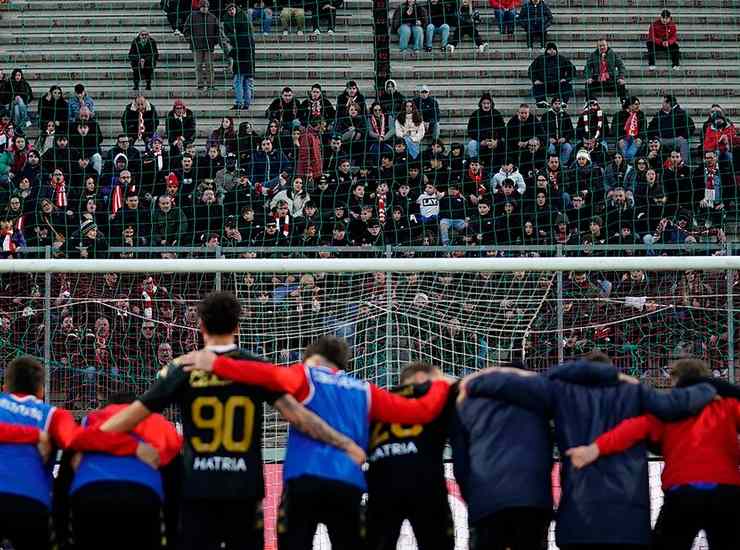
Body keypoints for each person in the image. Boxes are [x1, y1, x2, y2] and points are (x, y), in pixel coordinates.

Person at [99, 292, 365, 550]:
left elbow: (132, 415)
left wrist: (89, 438)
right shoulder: (255, 368)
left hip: (197, 487)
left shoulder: (182, 368)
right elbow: (299, 417)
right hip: (244, 489)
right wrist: (345, 443)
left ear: (201, 325)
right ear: (238, 326)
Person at [181, 334, 451, 550]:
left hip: (304, 482)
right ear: (340, 365)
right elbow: (420, 412)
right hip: (348, 486)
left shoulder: (305, 375)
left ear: (311, 358)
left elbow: (265, 374)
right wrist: (439, 384)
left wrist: (217, 364)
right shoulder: (366, 390)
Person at [460, 353, 717, 550]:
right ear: (613, 371)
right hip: (628, 517)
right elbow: (677, 403)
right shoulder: (634, 390)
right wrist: (708, 387)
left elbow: (509, 384)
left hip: (579, 515)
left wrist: (471, 383)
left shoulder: (561, 390)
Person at [567, 358, 740, 550]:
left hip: (682, 490)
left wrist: (594, 449)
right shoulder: (728, 405)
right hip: (726, 489)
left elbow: (633, 428)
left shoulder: (668, 409)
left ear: (675, 380)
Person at [0, 356, 152, 550]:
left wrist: (31, 435)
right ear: (41, 391)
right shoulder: (54, 415)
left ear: (5, 387)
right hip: (31, 503)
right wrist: (134, 447)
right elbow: (82, 441)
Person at [58, 391, 183, 550]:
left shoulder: (87, 421)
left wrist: (61, 533)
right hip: (142, 498)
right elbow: (175, 486)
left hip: (90, 495)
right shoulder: (161, 423)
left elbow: (63, 482)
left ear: (107, 407)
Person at [454, 361, 552, 550]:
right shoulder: (542, 402)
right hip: (533, 502)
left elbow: (461, 461)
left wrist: (473, 497)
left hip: (486, 501)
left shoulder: (467, 403)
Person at [366, 362, 456, 550]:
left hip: (381, 485)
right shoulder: (435, 394)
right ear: (422, 378)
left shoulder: (379, 401)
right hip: (425, 481)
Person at [223, 3, 256, 111]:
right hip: (246, 56)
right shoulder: (239, 21)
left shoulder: (243, 22)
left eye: (232, 9)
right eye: (229, 10)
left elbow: (239, 41)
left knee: (239, 81)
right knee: (245, 81)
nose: (231, 11)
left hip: (242, 56)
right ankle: (245, 104)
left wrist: (232, 52)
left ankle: (240, 103)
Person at [182, 0, 221, 92]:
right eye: (203, 7)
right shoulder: (192, 16)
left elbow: (217, 31)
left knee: (209, 66)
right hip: (197, 46)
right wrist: (190, 40)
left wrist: (214, 41)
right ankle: (200, 84)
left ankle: (211, 84)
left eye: (206, 7)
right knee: (198, 66)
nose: (204, 9)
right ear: (200, 7)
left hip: (209, 46)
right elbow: (186, 30)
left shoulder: (213, 17)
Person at [646, 95, 694, 165]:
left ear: (669, 104)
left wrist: (684, 136)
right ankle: (655, 166)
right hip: (662, 140)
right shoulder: (659, 114)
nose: (662, 104)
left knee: (683, 142)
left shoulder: (681, 113)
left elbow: (691, 126)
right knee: (654, 143)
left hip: (676, 140)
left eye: (664, 102)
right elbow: (651, 127)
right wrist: (654, 138)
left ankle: (684, 165)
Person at [529, 41, 575, 108]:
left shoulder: (561, 59)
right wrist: (535, 80)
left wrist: (566, 79)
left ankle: (563, 102)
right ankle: (541, 102)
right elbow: (531, 70)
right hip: (544, 84)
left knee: (567, 86)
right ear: (547, 50)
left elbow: (572, 69)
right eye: (550, 49)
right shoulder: (540, 59)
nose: (552, 51)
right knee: (536, 86)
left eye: (553, 49)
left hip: (558, 84)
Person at [584, 38, 627, 103]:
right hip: (598, 80)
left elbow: (621, 66)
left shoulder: (613, 54)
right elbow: (587, 67)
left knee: (621, 84)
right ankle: (592, 102)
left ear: (607, 45)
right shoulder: (593, 55)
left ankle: (624, 103)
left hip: (611, 80)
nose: (602, 47)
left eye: (604, 45)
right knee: (588, 84)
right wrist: (589, 77)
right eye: (600, 46)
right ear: (597, 47)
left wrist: (621, 77)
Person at [540, 97, 574, 165]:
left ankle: (561, 165)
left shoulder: (565, 115)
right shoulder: (545, 116)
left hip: (563, 142)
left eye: (559, 104)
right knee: (551, 148)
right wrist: (549, 138)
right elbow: (541, 130)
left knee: (568, 147)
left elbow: (571, 131)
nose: (557, 105)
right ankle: (551, 165)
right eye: (555, 104)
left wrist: (565, 138)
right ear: (552, 104)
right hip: (550, 142)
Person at [613, 96, 647, 161]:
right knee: (624, 147)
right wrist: (620, 139)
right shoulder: (619, 115)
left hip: (636, 138)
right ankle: (628, 164)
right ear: (629, 105)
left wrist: (640, 138)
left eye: (639, 104)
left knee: (630, 153)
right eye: (636, 104)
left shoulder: (641, 115)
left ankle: (626, 163)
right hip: (623, 138)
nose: (638, 106)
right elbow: (615, 129)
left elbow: (643, 129)